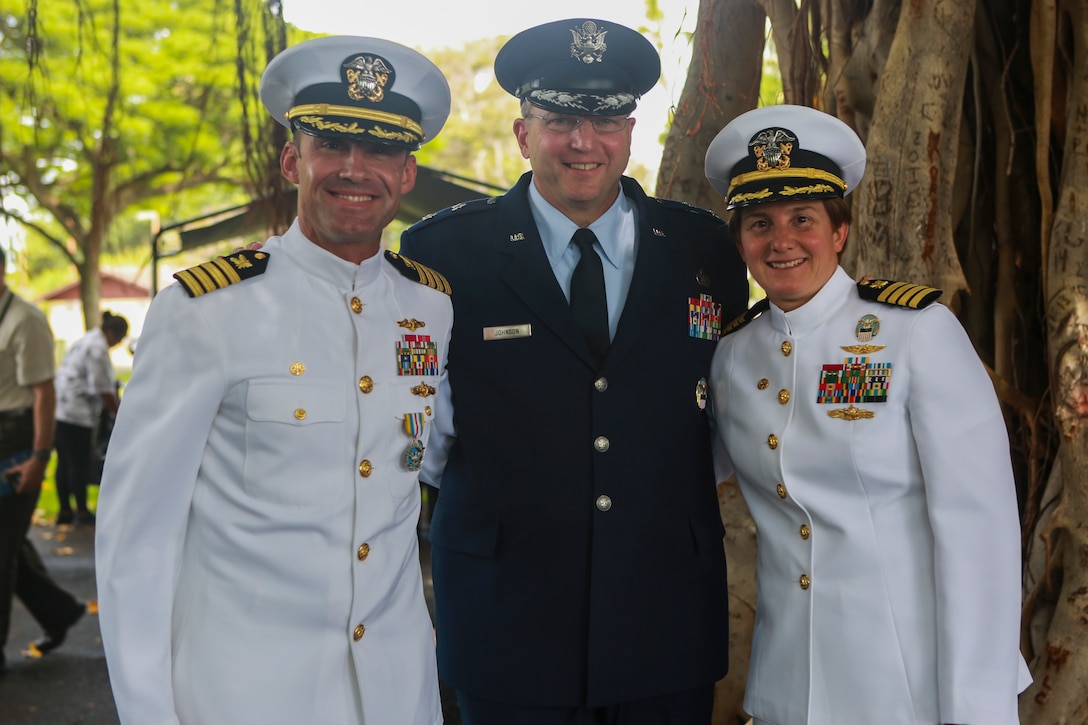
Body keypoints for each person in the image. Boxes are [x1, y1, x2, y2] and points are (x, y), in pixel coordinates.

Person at [399, 18, 749, 725]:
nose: (583, 142)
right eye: (559, 119)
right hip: (508, 620)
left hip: (666, 621)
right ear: (524, 134)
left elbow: (728, 403)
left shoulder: (703, 247)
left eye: (606, 120)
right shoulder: (444, 253)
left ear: (629, 131)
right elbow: (421, 436)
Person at [95, 36, 453, 725]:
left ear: (407, 172)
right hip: (244, 694)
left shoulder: (429, 306)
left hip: (395, 690)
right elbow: (137, 536)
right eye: (333, 145)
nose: (356, 169)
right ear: (294, 159)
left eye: (380, 149)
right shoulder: (204, 307)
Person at [703, 104, 1032, 725]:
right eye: (758, 223)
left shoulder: (915, 332)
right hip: (786, 689)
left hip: (909, 683)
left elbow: (978, 531)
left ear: (839, 230)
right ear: (741, 240)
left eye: (803, 218)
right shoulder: (731, 356)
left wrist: (975, 704)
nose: (781, 241)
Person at [0, 247, 88, 675]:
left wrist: (38, 457)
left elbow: (43, 394)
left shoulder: (24, 320)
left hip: (17, 441)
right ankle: (59, 611)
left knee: (3, 545)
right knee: (9, 542)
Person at [53, 310, 128, 526]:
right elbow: (103, 388)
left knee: (64, 461)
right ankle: (82, 512)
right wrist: (119, 414)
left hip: (61, 408)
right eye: (120, 339)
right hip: (78, 412)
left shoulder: (86, 339)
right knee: (79, 463)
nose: (117, 344)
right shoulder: (98, 348)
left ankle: (65, 511)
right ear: (112, 333)